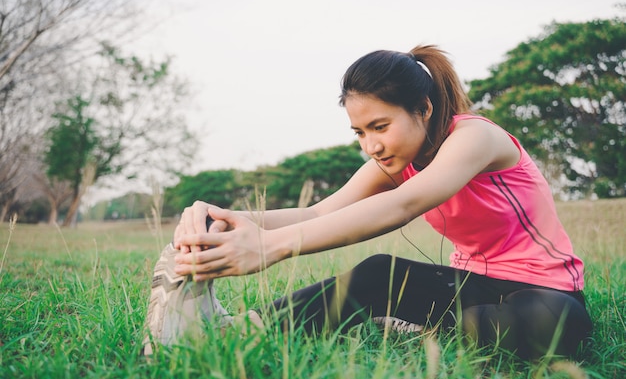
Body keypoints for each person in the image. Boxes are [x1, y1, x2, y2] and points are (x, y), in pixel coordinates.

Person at [142, 45, 592, 360]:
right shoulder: (395, 160)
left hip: (545, 291)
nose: (371, 145)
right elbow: (321, 211)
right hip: (471, 283)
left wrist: (272, 247)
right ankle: (236, 332)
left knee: (550, 324)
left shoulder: (475, 137)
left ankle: (425, 326)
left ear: (424, 107)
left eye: (380, 125)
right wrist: (225, 218)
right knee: (379, 273)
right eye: (360, 132)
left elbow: (405, 205)